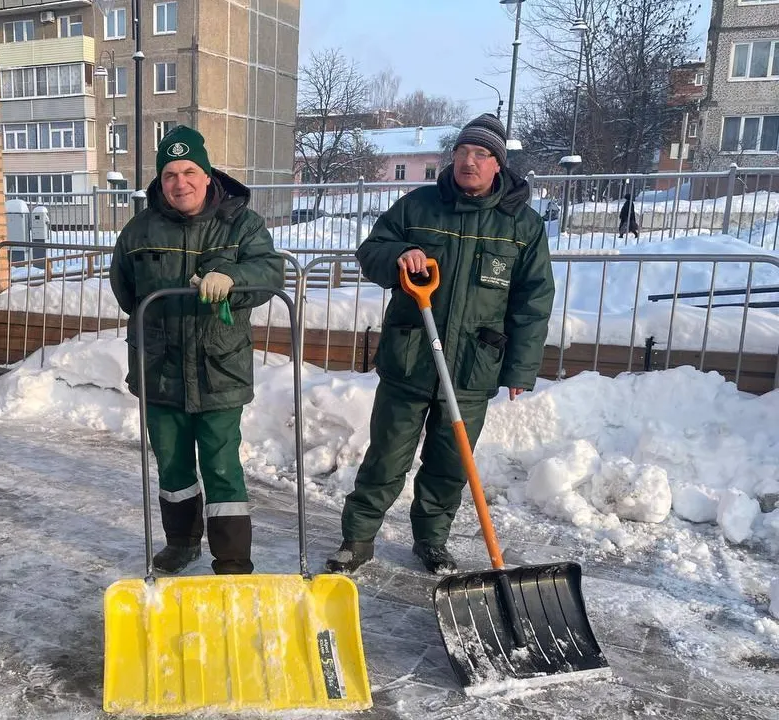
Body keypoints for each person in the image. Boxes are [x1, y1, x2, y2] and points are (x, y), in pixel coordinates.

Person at [325, 113, 555, 576]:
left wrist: (519, 369)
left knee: (450, 462)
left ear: (499, 165)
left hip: (473, 365)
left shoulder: (522, 226)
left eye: (482, 154)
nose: (469, 161)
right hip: (410, 357)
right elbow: (371, 252)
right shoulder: (419, 207)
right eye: (463, 151)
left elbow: (532, 300)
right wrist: (397, 256)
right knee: (387, 455)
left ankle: (431, 540)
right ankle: (359, 537)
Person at [109, 125, 284, 576]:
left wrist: (232, 278)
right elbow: (127, 291)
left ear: (208, 176)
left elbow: (269, 272)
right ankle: (181, 543)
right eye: (170, 174)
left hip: (218, 367)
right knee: (172, 466)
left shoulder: (242, 223)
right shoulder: (139, 230)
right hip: (159, 367)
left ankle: (231, 559)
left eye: (189, 171)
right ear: (159, 181)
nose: (180, 183)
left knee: (222, 465)